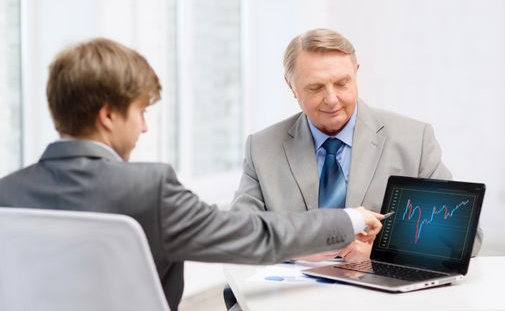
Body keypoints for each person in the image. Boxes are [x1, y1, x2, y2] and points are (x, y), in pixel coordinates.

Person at [0, 38, 384, 311]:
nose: (144, 129)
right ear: (108, 116)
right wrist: (350, 219)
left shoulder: (7, 193)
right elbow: (255, 236)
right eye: (141, 113)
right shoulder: (147, 190)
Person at [231, 28, 482, 262]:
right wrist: (304, 249)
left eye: (342, 83)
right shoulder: (262, 148)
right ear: (291, 86)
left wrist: (380, 251)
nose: (332, 99)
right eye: (316, 87)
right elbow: (238, 236)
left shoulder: (414, 140)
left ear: (356, 73)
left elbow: (467, 240)